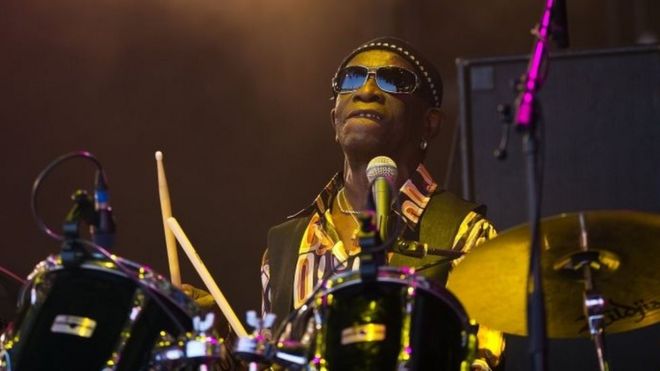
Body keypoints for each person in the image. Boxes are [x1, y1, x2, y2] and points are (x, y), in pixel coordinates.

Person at [260, 37, 504, 370]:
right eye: (352, 78)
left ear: (429, 123)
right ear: (335, 119)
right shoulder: (285, 248)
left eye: (393, 80)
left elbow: (482, 361)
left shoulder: (466, 234)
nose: (367, 91)